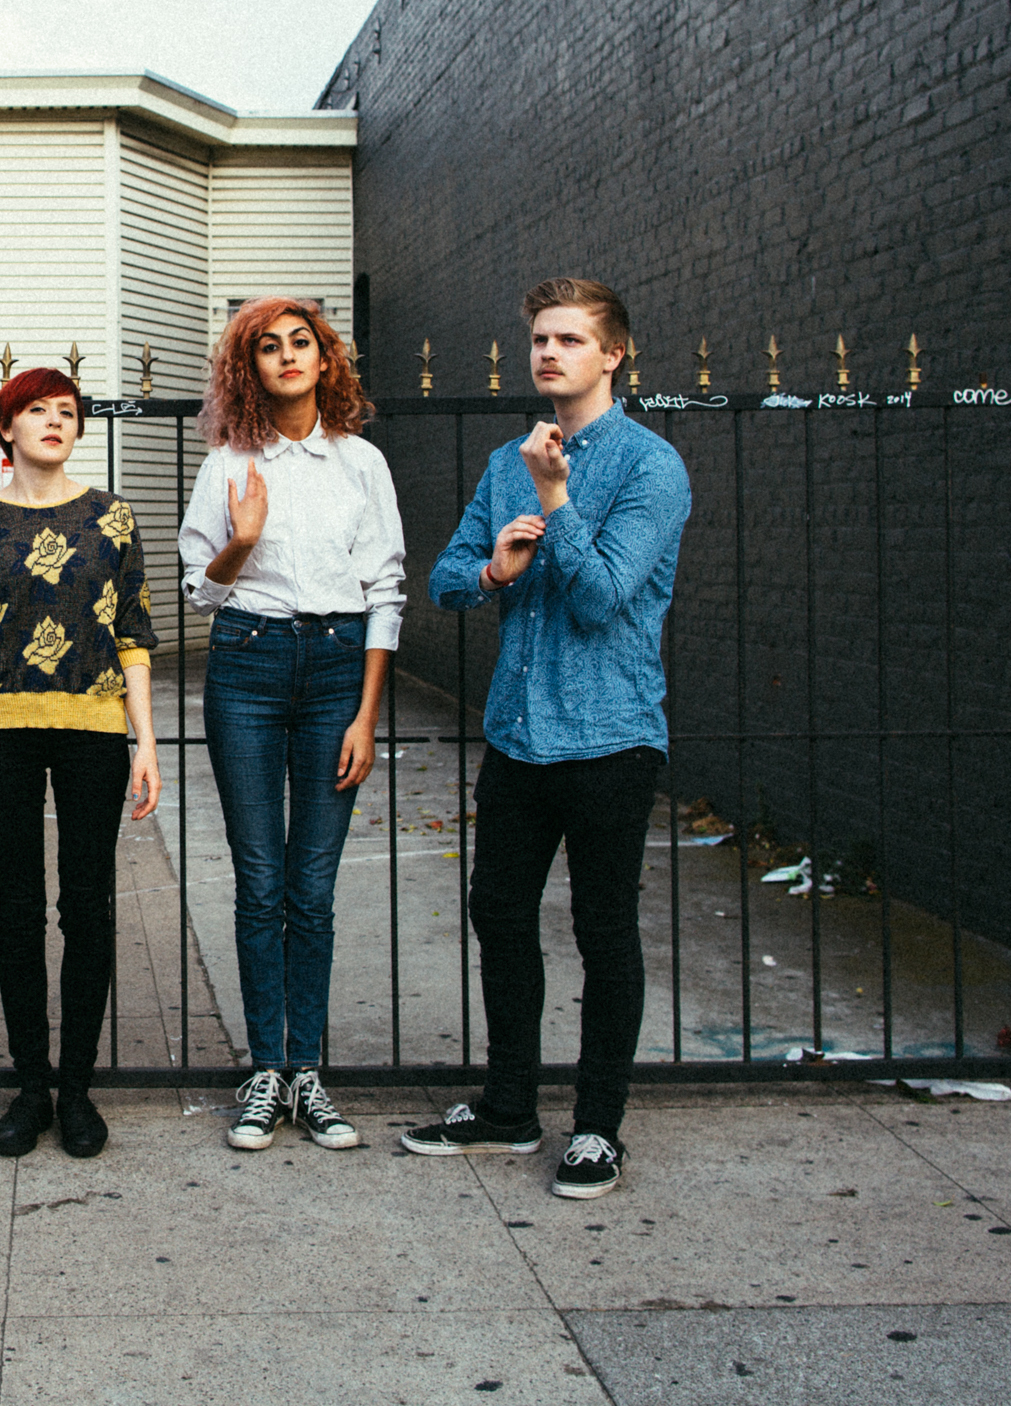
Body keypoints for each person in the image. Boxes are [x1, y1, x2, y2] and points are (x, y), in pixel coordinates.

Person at [400, 276, 690, 1202]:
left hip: (610, 738)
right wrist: (494, 568)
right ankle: (508, 1107)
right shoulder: (505, 462)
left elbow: (601, 600)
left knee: (603, 931)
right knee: (499, 916)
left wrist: (557, 499)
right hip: (519, 739)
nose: (549, 353)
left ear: (614, 355)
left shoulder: (651, 467)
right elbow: (445, 581)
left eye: (570, 339)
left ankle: (598, 1128)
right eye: (540, 340)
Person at [178, 297, 405, 1153]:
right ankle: (265, 1072)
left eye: (299, 342)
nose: (286, 356)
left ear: (325, 357)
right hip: (248, 663)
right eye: (267, 347)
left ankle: (307, 1071)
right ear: (249, 369)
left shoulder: (361, 463)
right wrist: (242, 540)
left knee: (312, 887)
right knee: (260, 881)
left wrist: (367, 715)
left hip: (339, 669)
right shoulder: (227, 464)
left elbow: (386, 589)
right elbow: (201, 590)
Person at [0, 368, 163, 1159]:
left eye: (67, 412)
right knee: (18, 911)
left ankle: (76, 1088)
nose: (54, 422)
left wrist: (145, 742)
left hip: (93, 732)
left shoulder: (112, 517)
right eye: (37, 410)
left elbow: (133, 633)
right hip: (1, 733)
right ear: (6, 427)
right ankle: (31, 1086)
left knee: (88, 909)